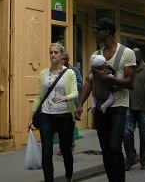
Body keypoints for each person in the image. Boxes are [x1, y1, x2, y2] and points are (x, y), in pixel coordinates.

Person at [75, 18, 136, 182]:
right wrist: (80, 104)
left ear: (107, 32)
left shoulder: (127, 53)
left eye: (98, 30)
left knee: (115, 145)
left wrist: (108, 78)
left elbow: (130, 83)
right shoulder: (96, 56)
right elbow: (89, 81)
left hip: (118, 106)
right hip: (101, 107)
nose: (94, 32)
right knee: (105, 148)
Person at [28, 42, 78, 182]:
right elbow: (39, 95)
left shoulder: (70, 73)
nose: (53, 55)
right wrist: (31, 117)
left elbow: (75, 93)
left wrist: (64, 98)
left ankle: (69, 177)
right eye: (51, 52)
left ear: (62, 55)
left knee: (66, 151)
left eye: (56, 52)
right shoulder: (43, 73)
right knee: (46, 153)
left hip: (65, 117)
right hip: (46, 116)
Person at [124, 48, 145, 171]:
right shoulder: (127, 69)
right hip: (129, 107)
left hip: (144, 107)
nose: (134, 57)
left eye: (136, 55)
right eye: (132, 55)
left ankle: (144, 160)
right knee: (126, 132)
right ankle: (131, 158)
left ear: (140, 55)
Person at [57, 51, 83, 155]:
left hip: (72, 101)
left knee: (68, 124)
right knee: (60, 124)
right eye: (61, 59)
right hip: (60, 100)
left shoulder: (74, 70)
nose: (62, 61)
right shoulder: (56, 70)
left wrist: (68, 85)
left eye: (64, 59)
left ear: (68, 59)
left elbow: (80, 85)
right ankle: (62, 146)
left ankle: (69, 145)